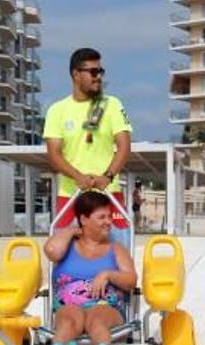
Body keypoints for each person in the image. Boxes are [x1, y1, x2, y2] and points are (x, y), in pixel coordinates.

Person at [42, 191, 137, 345]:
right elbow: (52, 251)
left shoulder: (116, 248)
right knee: (69, 318)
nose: (109, 222)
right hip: (68, 305)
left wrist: (107, 274)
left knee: (96, 319)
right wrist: (70, 231)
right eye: (102, 217)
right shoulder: (67, 246)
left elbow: (131, 280)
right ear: (84, 219)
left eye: (109, 216)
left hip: (106, 305)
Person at [43, 48, 133, 228]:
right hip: (70, 196)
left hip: (108, 193)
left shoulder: (113, 105)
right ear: (76, 74)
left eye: (100, 71)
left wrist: (107, 176)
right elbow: (54, 155)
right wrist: (77, 177)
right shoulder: (56, 110)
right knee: (62, 251)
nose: (98, 76)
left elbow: (124, 146)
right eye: (93, 72)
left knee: (119, 249)